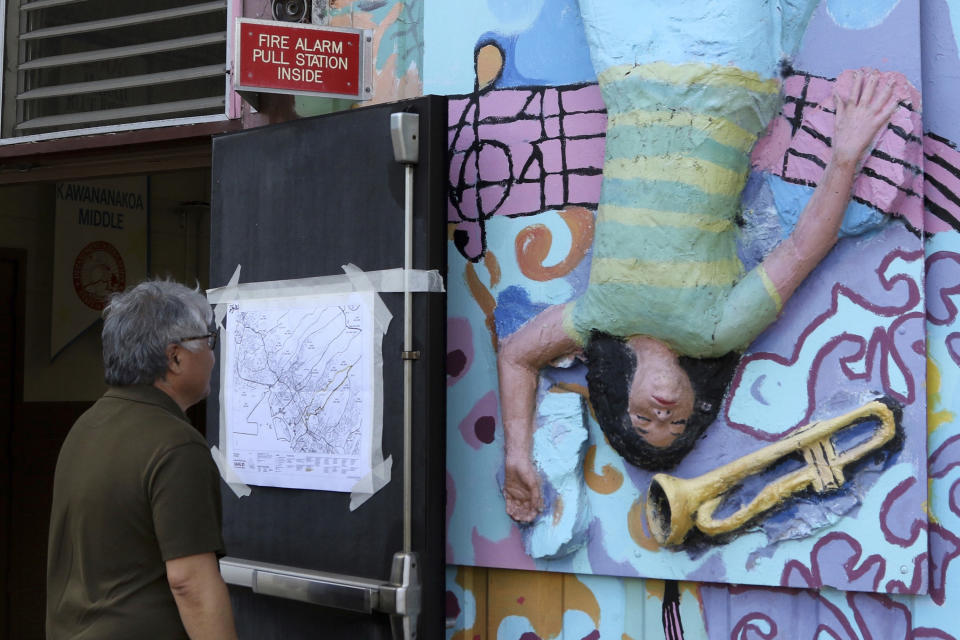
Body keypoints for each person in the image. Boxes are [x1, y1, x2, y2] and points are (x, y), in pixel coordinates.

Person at [497, 70, 904, 524]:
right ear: (697, 410)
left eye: (644, 421)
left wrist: (517, 452)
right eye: (675, 425)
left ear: (620, 399)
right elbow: (803, 248)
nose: (663, 415)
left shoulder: (600, 317)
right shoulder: (719, 331)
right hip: (728, 88)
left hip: (627, 80)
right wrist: (845, 155)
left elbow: (517, 356)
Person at [46, 280, 238, 639]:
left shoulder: (86, 425)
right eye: (209, 342)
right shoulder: (177, 445)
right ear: (175, 357)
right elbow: (190, 583)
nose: (214, 356)